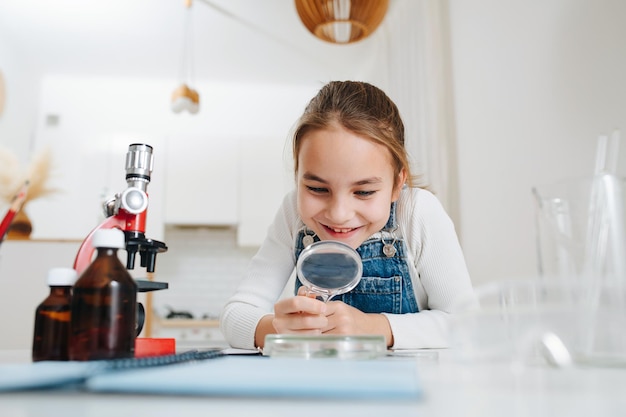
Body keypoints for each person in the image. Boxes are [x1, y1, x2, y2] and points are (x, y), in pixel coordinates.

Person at [220, 80, 476, 350]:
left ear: (397, 184)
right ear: (297, 177)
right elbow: (236, 315)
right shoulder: (292, 214)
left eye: (364, 192)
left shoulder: (417, 212)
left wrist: (375, 328)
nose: (339, 214)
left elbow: (467, 325)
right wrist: (276, 329)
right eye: (317, 189)